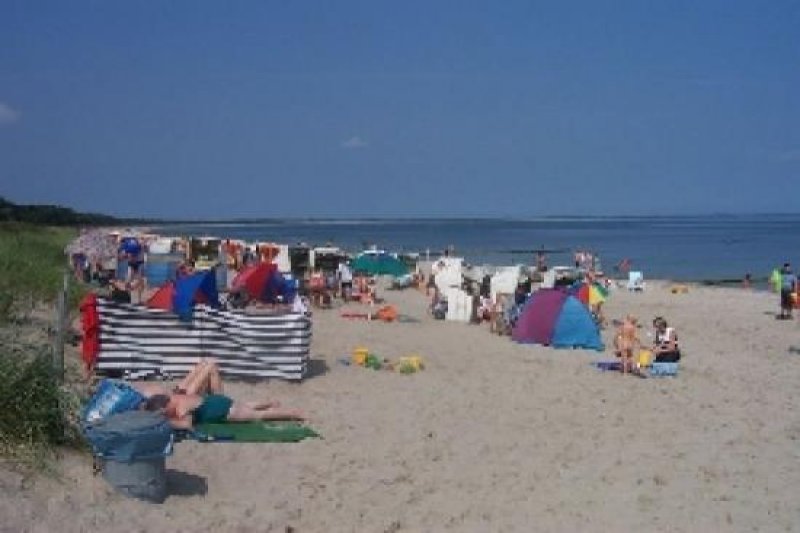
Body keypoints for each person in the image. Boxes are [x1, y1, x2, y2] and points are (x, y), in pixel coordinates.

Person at [138, 359, 304, 430]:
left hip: (224, 412)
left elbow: (187, 424)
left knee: (258, 416)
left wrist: (168, 422)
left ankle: (293, 413)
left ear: (167, 406)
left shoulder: (180, 409)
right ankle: (269, 402)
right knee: (244, 405)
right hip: (217, 401)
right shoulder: (176, 398)